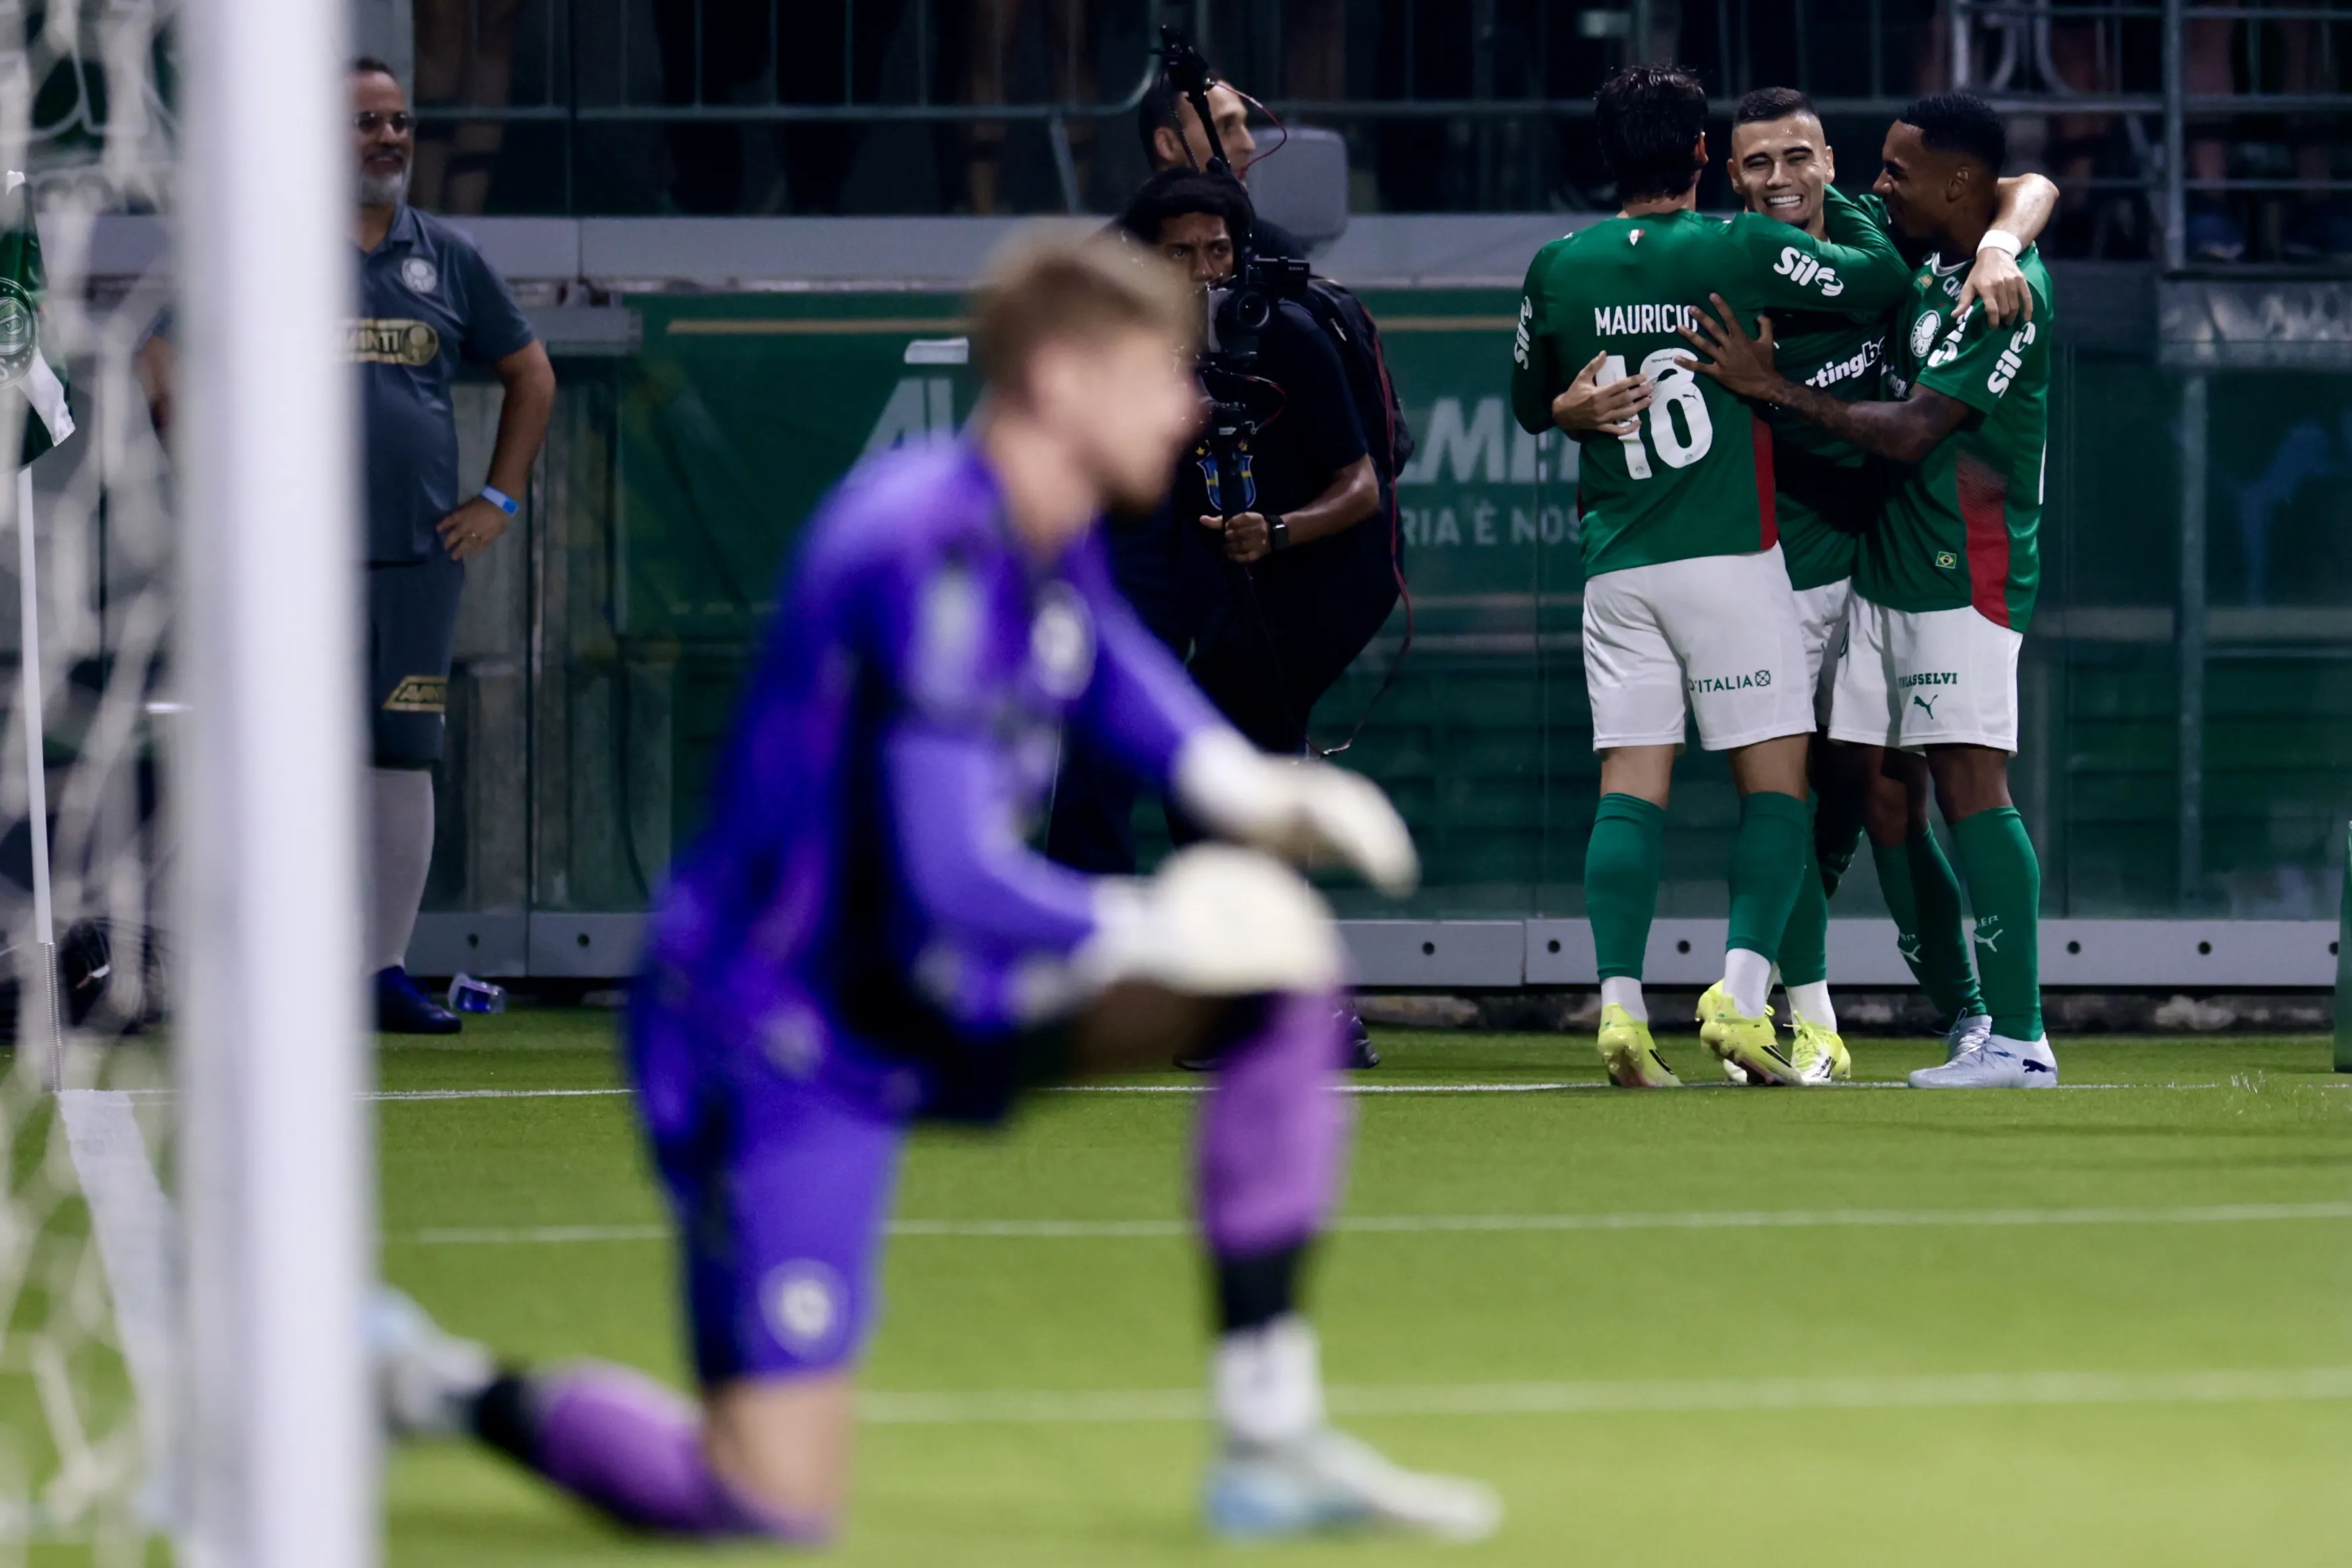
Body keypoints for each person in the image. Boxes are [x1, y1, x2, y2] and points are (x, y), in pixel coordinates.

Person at [372, 232, 1501, 1544]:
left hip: (929, 986)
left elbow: (1106, 659)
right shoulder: (920, 546)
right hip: (774, 1035)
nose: (1190, 405)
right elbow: (953, 876)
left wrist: (1229, 780)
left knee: (1278, 975)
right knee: (763, 1502)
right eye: (1159, 374)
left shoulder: (1047, 523)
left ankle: (1268, 1433)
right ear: (1065, 381)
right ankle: (430, 1380)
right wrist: (1150, 915)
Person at [1556, 86, 2056, 1081]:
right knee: (1826, 789)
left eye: (1798, 157)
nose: (1780, 180)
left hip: (1886, 556)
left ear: (1830, 159)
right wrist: (1571, 407)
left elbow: (2025, 183)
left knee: (1887, 793)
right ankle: (1793, 1014)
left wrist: (2002, 242)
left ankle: (1964, 1018)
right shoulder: (1724, 266)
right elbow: (1604, 366)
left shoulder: (1886, 234)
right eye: (1756, 165)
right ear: (1726, 174)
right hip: (1772, 563)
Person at [1508, 65, 1912, 1090]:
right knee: (1775, 786)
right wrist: (1841, 199)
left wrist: (1565, 412)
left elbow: (1528, 400)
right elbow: (1879, 281)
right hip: (1731, 559)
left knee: (1628, 787)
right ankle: (1737, 995)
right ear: (1704, 157)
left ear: (1605, 156)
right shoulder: (1741, 246)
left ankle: (1619, 1012)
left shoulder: (1558, 265)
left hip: (1618, 570)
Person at [1135, 68, 1310, 261]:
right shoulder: (1109, 262)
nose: (1249, 145)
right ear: (1168, 145)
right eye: (1226, 127)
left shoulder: (1273, 250)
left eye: (1245, 125)